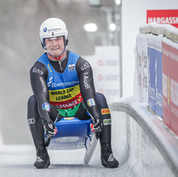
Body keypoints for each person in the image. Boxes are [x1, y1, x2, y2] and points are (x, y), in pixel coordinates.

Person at [27, 18, 119, 169]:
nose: (54, 44)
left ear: (65, 39)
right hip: (55, 112)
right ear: (43, 43)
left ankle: (106, 152)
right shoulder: (38, 69)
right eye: (48, 40)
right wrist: (46, 121)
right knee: (32, 101)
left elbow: (89, 95)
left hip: (79, 110)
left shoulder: (81, 64)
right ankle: (41, 153)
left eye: (57, 38)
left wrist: (95, 116)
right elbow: (41, 100)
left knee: (100, 98)